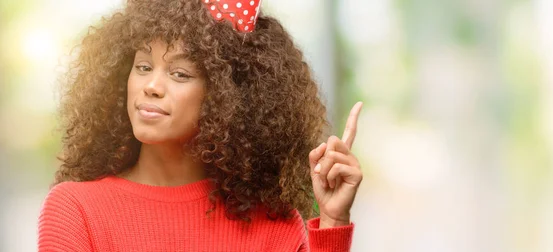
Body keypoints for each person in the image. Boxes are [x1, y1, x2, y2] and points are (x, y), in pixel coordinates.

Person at [38, 0, 364, 251]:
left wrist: (334, 221)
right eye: (143, 66)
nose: (151, 85)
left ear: (229, 96)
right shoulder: (75, 208)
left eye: (180, 74)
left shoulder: (275, 225)